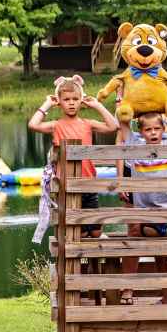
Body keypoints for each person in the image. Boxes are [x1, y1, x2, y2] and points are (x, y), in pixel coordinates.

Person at [28, 75, 118, 240]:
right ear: (59, 102)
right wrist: (47, 103)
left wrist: (97, 106)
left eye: (75, 99)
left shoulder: (87, 124)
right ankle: (79, 262)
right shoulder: (56, 126)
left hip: (88, 183)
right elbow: (33, 124)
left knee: (96, 231)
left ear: (81, 100)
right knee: (79, 232)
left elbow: (114, 126)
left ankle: (94, 263)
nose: (71, 102)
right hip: (67, 186)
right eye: (66, 99)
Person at [117, 110, 167, 305]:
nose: (153, 133)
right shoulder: (135, 147)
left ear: (164, 129)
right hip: (143, 209)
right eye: (148, 129)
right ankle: (128, 289)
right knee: (134, 237)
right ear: (140, 132)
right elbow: (122, 123)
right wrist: (128, 105)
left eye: (157, 128)